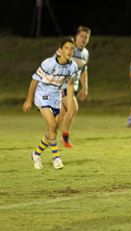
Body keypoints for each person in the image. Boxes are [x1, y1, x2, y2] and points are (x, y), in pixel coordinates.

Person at [22, 37, 78, 170]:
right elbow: (34, 81)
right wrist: (29, 100)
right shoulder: (48, 63)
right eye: (66, 48)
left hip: (56, 97)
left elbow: (70, 84)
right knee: (52, 125)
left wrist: (70, 103)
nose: (69, 51)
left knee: (53, 129)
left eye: (72, 48)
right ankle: (56, 157)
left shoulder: (73, 66)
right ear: (60, 50)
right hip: (42, 95)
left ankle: (36, 154)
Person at [59, 26, 91, 148]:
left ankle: (49, 138)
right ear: (76, 36)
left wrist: (85, 87)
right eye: (81, 36)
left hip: (74, 86)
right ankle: (65, 138)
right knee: (73, 109)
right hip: (62, 85)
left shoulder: (86, 53)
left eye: (86, 37)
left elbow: (83, 71)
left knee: (61, 117)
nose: (83, 39)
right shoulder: (68, 48)